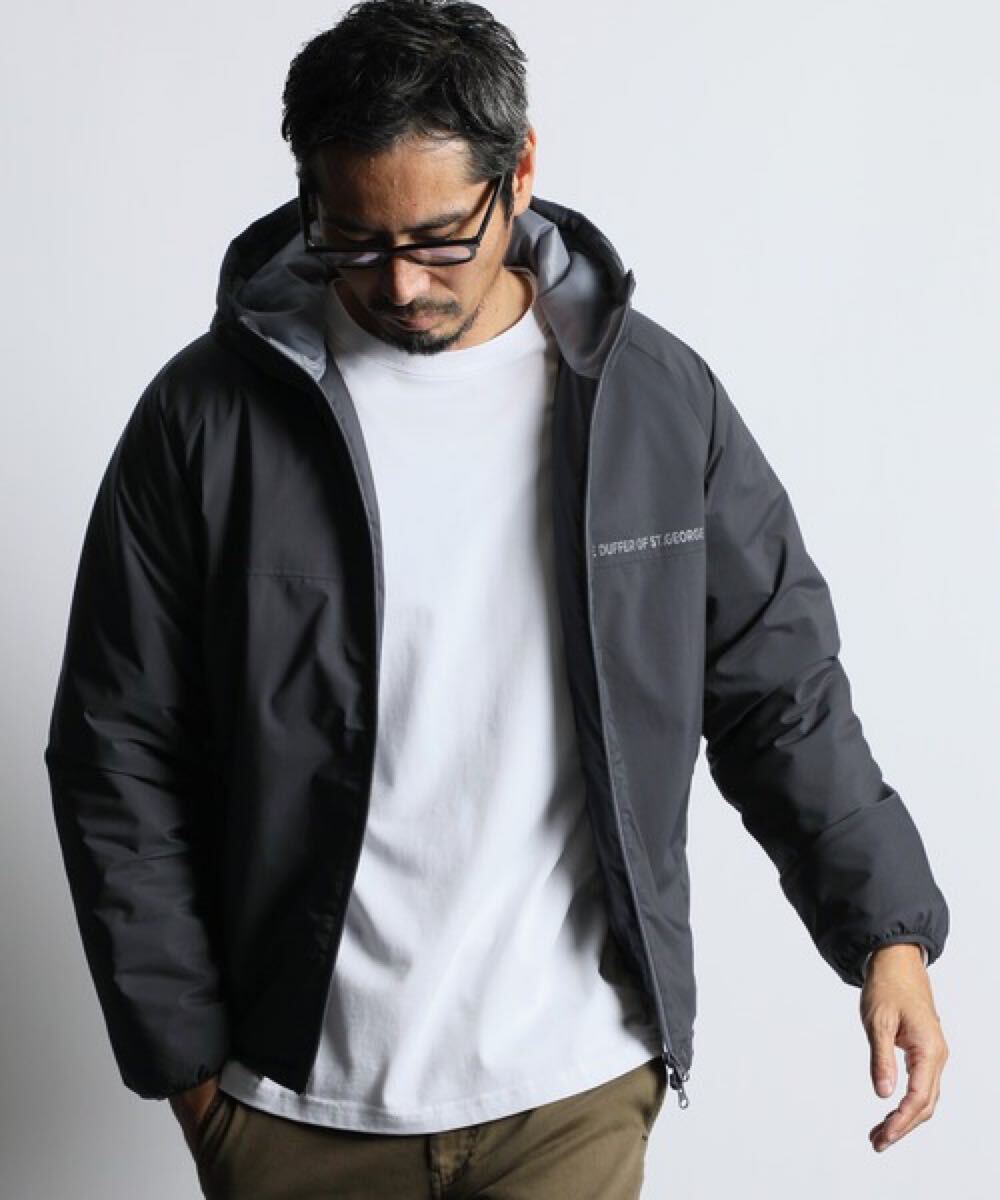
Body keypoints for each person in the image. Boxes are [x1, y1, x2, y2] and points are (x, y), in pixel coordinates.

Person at [44, 1, 950, 1196]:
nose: (398, 282)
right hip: (290, 1107)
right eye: (352, 240)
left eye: (438, 239)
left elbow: (774, 686)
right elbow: (116, 746)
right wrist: (191, 1076)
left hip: (570, 1089)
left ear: (519, 172)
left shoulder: (653, 401)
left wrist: (885, 932)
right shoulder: (206, 419)